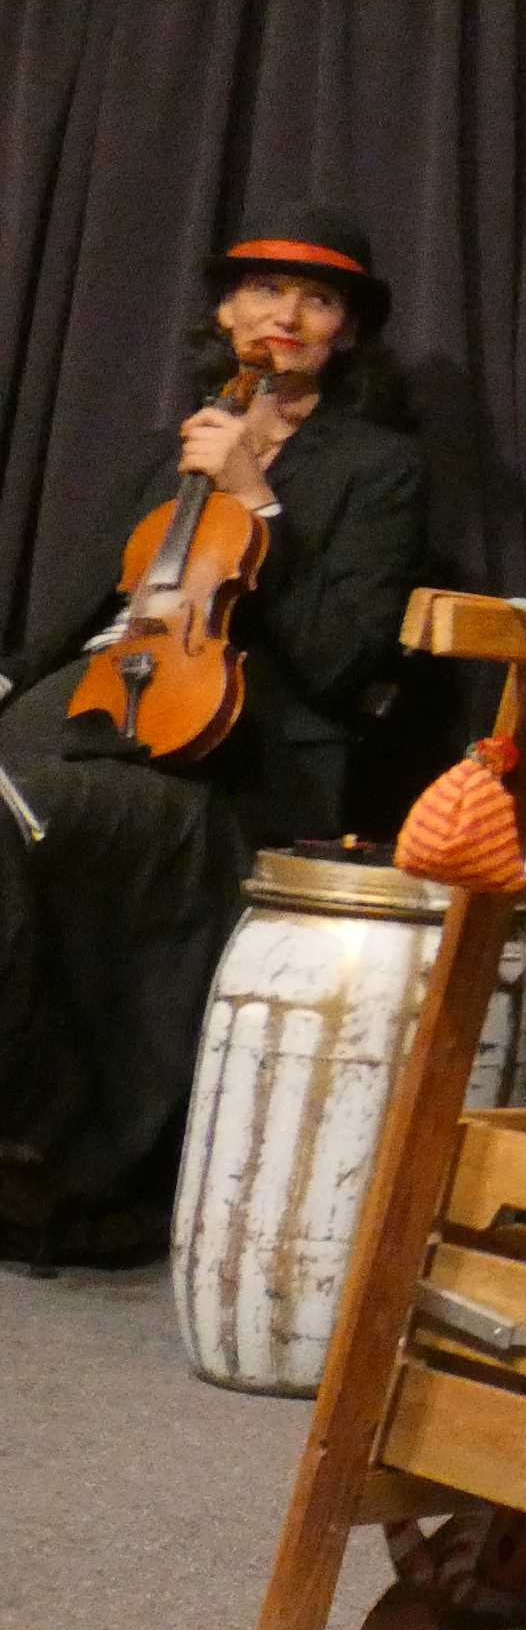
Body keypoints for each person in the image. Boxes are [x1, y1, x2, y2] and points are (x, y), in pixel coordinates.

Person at [0, 210, 427, 1260]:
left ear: (345, 333)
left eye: (318, 299)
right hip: (89, 707)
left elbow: (342, 660)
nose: (287, 314)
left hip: (229, 757)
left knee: (17, 815)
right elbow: (72, 609)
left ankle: (33, 1143)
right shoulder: (169, 450)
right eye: (264, 291)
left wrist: (259, 504)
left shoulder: (377, 469)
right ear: (226, 314)